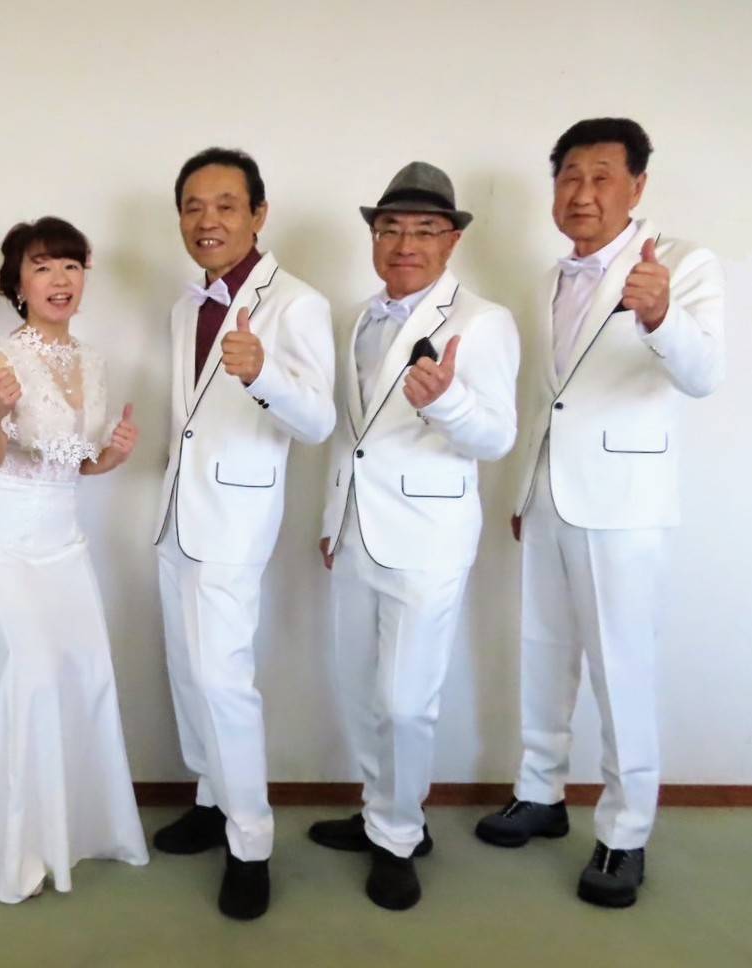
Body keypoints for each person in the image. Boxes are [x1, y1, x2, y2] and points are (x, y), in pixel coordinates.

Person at [475, 118, 725, 909]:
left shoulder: (682, 265)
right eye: (569, 177)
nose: (581, 193)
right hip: (548, 496)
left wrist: (659, 316)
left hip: (623, 505)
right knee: (542, 653)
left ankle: (624, 832)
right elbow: (547, 398)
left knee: (622, 668)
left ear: (637, 186)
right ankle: (539, 792)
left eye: (601, 177)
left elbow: (703, 374)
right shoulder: (548, 279)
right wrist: (523, 491)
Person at [310, 162, 519, 910]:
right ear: (373, 237)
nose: (405, 243)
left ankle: (399, 837)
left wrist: (449, 402)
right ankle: (380, 812)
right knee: (359, 690)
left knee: (404, 704)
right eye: (390, 228)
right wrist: (331, 517)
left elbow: (497, 436)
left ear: (451, 240)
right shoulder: (356, 318)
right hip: (354, 534)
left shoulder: (483, 322)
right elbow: (352, 436)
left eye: (424, 230)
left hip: (428, 539)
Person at [152, 147, 335, 920]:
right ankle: (209, 798)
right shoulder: (184, 305)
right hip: (176, 514)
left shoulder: (296, 304)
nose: (208, 220)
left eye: (225, 205)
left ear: (258, 214)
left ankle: (250, 843)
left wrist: (261, 374)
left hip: (233, 520)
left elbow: (317, 419)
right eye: (193, 206)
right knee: (187, 672)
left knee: (223, 680)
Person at [0, 217, 148, 905]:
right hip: (0, 535)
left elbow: (76, 463)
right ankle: (15, 848)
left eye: (70, 265)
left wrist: (111, 456)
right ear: (17, 282)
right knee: (30, 672)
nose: (59, 279)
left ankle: (80, 829)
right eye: (42, 266)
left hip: (63, 539)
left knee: (86, 670)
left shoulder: (92, 361)